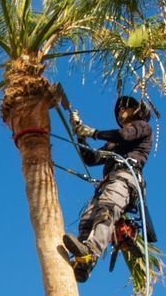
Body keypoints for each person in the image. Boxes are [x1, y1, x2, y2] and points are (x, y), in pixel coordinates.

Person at [63, 95, 154, 283]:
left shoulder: (142, 127)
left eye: (125, 107)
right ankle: (83, 261)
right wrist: (80, 133)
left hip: (124, 179)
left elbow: (124, 135)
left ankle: (91, 251)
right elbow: (92, 158)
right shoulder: (115, 145)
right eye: (119, 109)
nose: (121, 111)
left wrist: (93, 132)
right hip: (107, 183)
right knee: (87, 220)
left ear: (137, 110)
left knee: (107, 211)